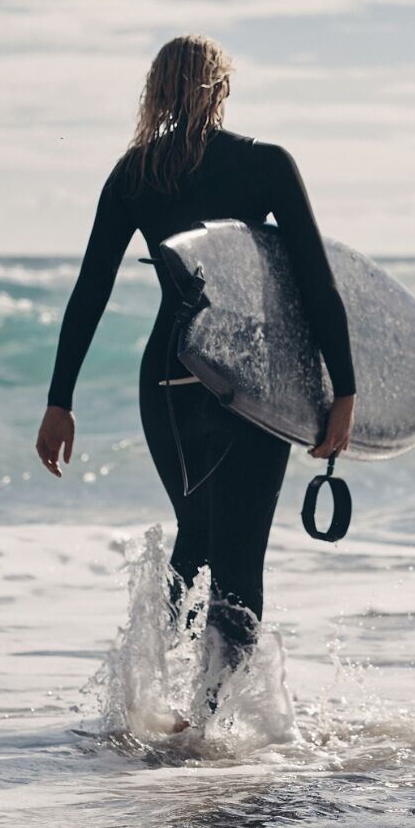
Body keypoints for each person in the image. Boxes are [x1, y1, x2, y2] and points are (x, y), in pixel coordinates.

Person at [35, 35, 356, 716]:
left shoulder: (135, 174)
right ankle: (209, 722)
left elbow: (90, 290)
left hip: (169, 380)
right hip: (246, 381)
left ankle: (148, 700)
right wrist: (344, 388)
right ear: (222, 89)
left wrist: (60, 400)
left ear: (155, 92)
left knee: (197, 535)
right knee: (240, 558)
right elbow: (316, 282)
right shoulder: (265, 164)